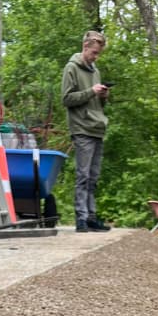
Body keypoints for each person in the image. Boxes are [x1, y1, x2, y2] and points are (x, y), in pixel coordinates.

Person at [61, 30, 111, 232]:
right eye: (94, 53)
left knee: (93, 175)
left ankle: (91, 216)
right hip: (81, 127)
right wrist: (91, 91)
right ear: (85, 47)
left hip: (97, 126)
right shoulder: (71, 68)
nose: (95, 57)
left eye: (98, 53)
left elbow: (98, 105)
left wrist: (103, 96)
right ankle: (80, 217)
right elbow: (66, 99)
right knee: (83, 175)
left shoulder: (95, 71)